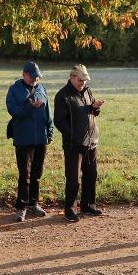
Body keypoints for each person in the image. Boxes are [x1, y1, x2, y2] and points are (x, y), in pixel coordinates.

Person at [54, 65, 105, 222]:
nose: (82, 83)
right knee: (73, 178)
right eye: (80, 80)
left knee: (91, 175)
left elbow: (90, 112)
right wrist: (73, 136)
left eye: (84, 80)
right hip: (74, 144)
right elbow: (59, 121)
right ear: (72, 77)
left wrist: (95, 108)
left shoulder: (87, 92)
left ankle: (88, 205)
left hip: (91, 141)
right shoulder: (63, 95)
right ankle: (70, 209)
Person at [5, 61, 54, 222]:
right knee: (24, 174)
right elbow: (13, 111)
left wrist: (50, 131)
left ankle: (34, 203)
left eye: (37, 77)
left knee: (37, 173)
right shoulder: (14, 90)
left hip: (41, 137)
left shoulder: (42, 88)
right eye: (32, 77)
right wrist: (30, 107)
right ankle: (21, 206)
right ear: (24, 74)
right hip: (23, 138)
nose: (35, 80)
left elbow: (48, 112)